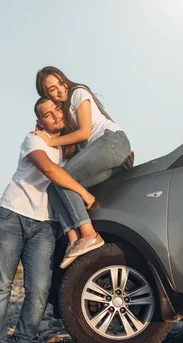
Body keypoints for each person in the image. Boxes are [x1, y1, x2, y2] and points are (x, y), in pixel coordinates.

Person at [0, 97, 96, 343]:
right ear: (40, 122)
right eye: (47, 114)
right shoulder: (33, 140)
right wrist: (83, 192)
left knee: (39, 288)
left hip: (46, 224)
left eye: (56, 109)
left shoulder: (70, 148)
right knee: (1, 284)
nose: (54, 116)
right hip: (11, 216)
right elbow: (48, 169)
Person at [35, 66, 132, 269]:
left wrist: (48, 141)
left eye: (60, 83)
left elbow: (85, 133)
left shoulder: (78, 93)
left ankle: (89, 235)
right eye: (52, 89)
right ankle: (73, 240)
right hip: (107, 153)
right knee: (55, 187)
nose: (60, 90)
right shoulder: (65, 115)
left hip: (111, 141)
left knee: (64, 177)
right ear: (46, 94)